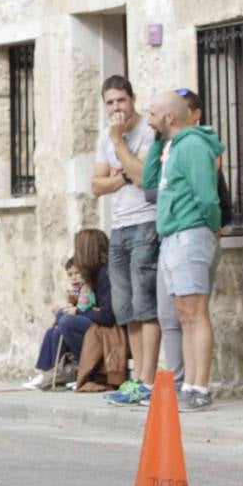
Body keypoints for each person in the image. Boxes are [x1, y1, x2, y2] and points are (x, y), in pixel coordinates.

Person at [142, 91, 224, 412]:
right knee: (184, 314)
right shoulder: (171, 146)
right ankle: (189, 381)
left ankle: (198, 384)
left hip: (190, 233)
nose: (148, 119)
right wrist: (155, 143)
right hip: (173, 236)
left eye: (152, 114)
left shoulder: (192, 145)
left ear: (169, 117)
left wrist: (213, 226)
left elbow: (206, 193)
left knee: (196, 311)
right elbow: (149, 181)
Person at [91, 76, 160, 406]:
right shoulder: (105, 136)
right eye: (110, 102)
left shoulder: (146, 131)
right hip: (118, 227)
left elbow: (145, 176)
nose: (116, 108)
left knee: (146, 306)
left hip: (146, 222)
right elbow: (96, 184)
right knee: (126, 308)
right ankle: (137, 379)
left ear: (133, 99)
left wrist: (120, 144)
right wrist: (123, 175)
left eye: (121, 100)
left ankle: (148, 378)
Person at [25, 231, 116, 389]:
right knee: (56, 327)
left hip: (108, 330)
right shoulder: (94, 274)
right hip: (96, 322)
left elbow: (107, 316)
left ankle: (83, 369)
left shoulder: (105, 274)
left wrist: (79, 312)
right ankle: (53, 371)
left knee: (66, 320)